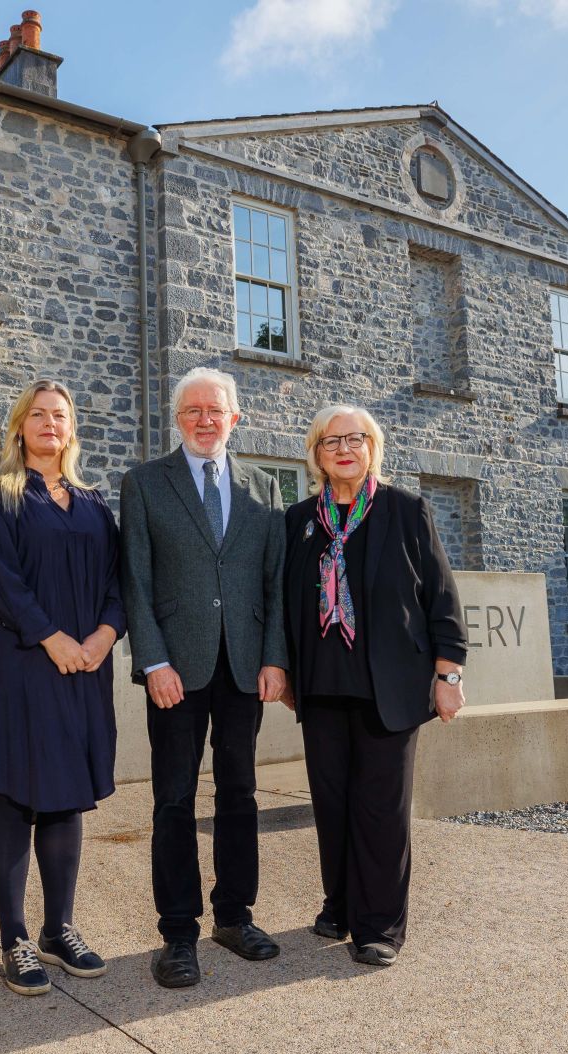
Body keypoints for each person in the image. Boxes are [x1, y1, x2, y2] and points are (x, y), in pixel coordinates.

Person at [280, 404, 468, 967]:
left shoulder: (406, 510)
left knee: (381, 811)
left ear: (372, 448)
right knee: (331, 805)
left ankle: (380, 926)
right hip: (320, 687)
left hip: (390, 689)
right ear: (316, 453)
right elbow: (283, 604)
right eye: (331, 441)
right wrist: (285, 671)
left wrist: (448, 674)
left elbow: (442, 598)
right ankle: (338, 905)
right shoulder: (298, 521)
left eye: (355, 439)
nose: (344, 449)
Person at [120, 366, 288, 989]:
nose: (203, 420)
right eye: (191, 410)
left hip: (244, 665)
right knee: (173, 799)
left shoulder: (264, 488)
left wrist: (275, 658)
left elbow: (273, 583)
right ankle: (178, 932)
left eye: (215, 410)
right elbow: (135, 579)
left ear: (234, 418)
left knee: (240, 794)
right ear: (178, 418)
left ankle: (234, 915)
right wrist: (153, 661)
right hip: (175, 670)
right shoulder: (143, 484)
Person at [0, 378, 126, 996]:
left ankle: (59, 930)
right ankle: (15, 939)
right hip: (15, 663)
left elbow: (119, 578)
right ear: (19, 427)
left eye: (59, 415)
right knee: (13, 794)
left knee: (64, 794)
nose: (49, 424)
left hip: (86, 664)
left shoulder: (91, 503)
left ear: (71, 427)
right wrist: (51, 637)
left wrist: (105, 636)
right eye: (38, 415)